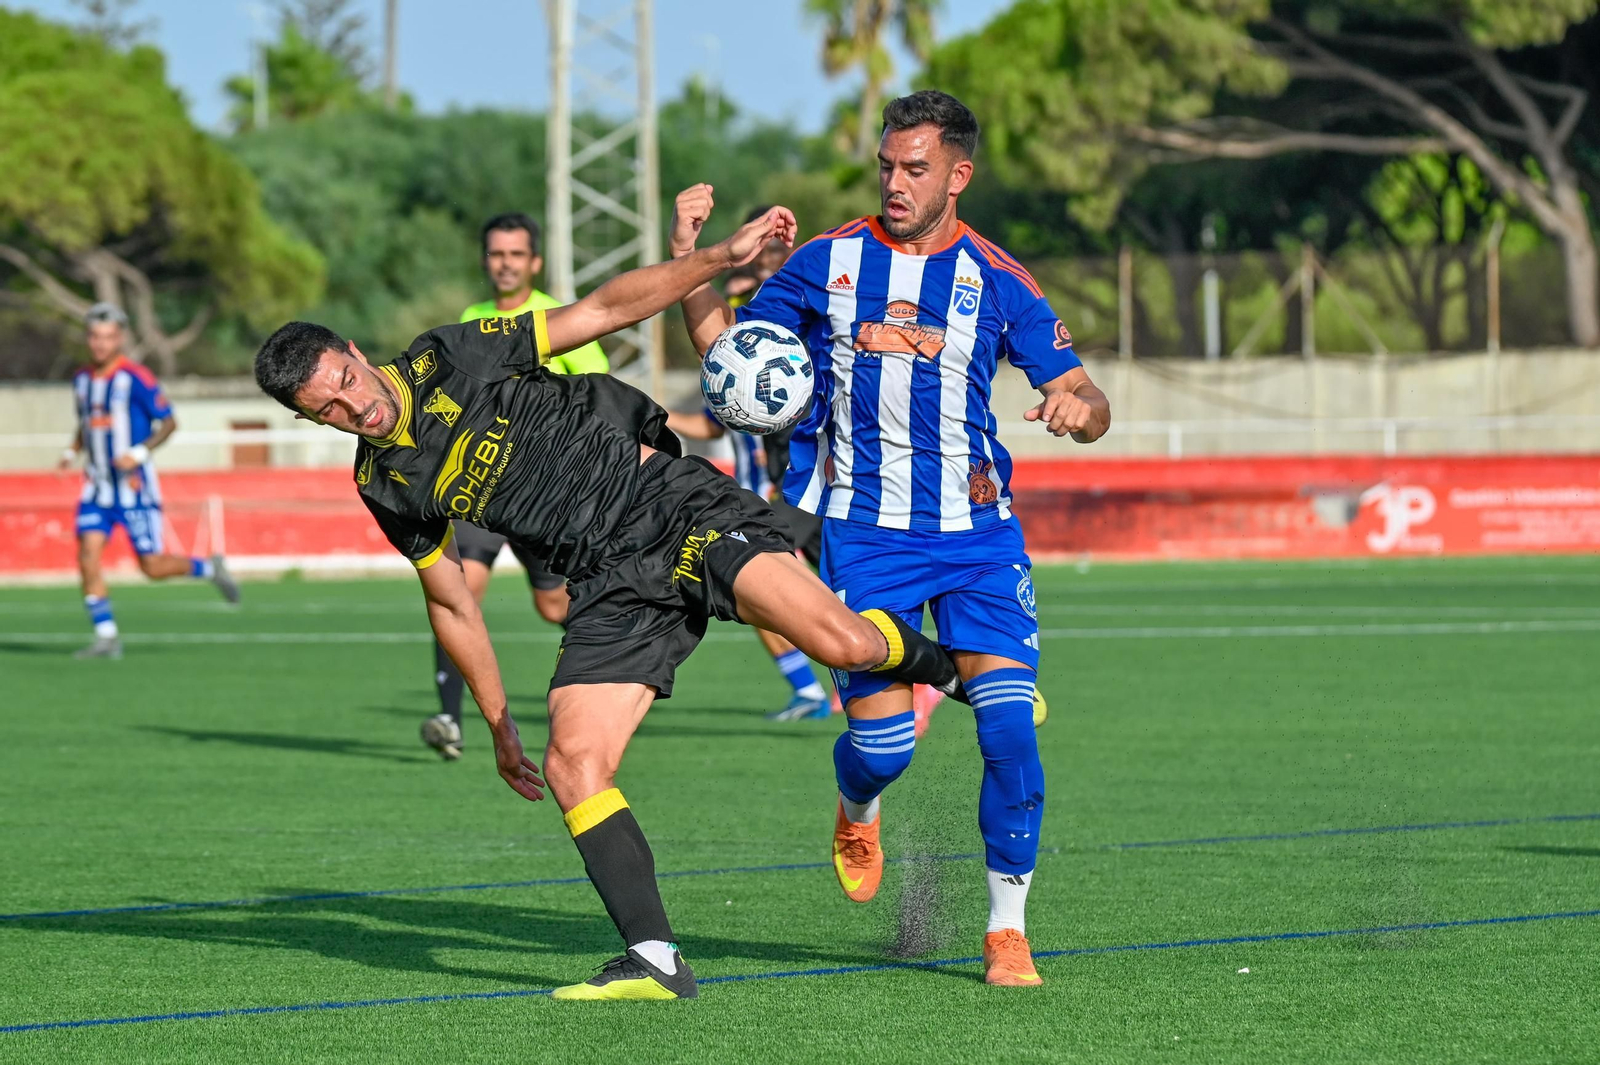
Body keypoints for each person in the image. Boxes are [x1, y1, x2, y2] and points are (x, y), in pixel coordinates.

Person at [252, 202, 966, 1002]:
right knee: (572, 761)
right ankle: (654, 956)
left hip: (669, 506)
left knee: (846, 645)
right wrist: (496, 722)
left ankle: (955, 669)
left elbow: (601, 310)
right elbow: (450, 600)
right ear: (307, 416)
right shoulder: (381, 483)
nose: (357, 408)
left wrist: (718, 258)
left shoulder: (448, 356)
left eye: (347, 381)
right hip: (605, 582)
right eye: (329, 410)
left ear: (353, 351)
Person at [673, 91, 1111, 988]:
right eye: (887, 165)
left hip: (981, 536)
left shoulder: (999, 278)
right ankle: (856, 804)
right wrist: (692, 260)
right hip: (866, 537)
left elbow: (1086, 391)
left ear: (959, 175)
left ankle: (1006, 929)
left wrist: (1079, 407)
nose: (896, 182)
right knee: (884, 749)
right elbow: (729, 362)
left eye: (916, 168)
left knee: (1009, 733)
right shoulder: (827, 262)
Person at [419, 213, 611, 760]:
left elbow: (598, 386)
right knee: (458, 592)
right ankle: (448, 720)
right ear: (486, 261)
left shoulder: (555, 316)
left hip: (543, 493)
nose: (505, 263)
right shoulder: (470, 318)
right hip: (479, 488)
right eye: (496, 254)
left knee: (555, 607)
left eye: (515, 255)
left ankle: (613, 675)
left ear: (534, 262)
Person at [59, 303, 240, 659]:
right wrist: (71, 450)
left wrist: (139, 453)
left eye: (108, 337)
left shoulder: (136, 378)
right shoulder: (81, 380)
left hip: (134, 489)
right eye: (94, 336)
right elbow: (86, 423)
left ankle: (208, 568)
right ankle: (106, 636)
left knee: (152, 567)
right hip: (96, 488)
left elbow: (169, 422)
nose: (100, 344)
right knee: (87, 555)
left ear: (120, 338)